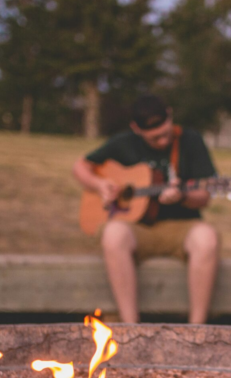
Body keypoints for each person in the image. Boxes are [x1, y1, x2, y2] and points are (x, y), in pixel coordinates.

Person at [72, 94, 219, 324]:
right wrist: (100, 185)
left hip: (181, 227)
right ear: (136, 129)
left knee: (207, 237)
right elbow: (80, 167)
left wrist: (182, 196)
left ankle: (196, 329)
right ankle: (131, 328)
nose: (162, 142)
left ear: (170, 115)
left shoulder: (190, 140)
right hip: (136, 228)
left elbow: (204, 196)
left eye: (165, 133)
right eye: (154, 138)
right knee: (113, 234)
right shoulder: (123, 143)